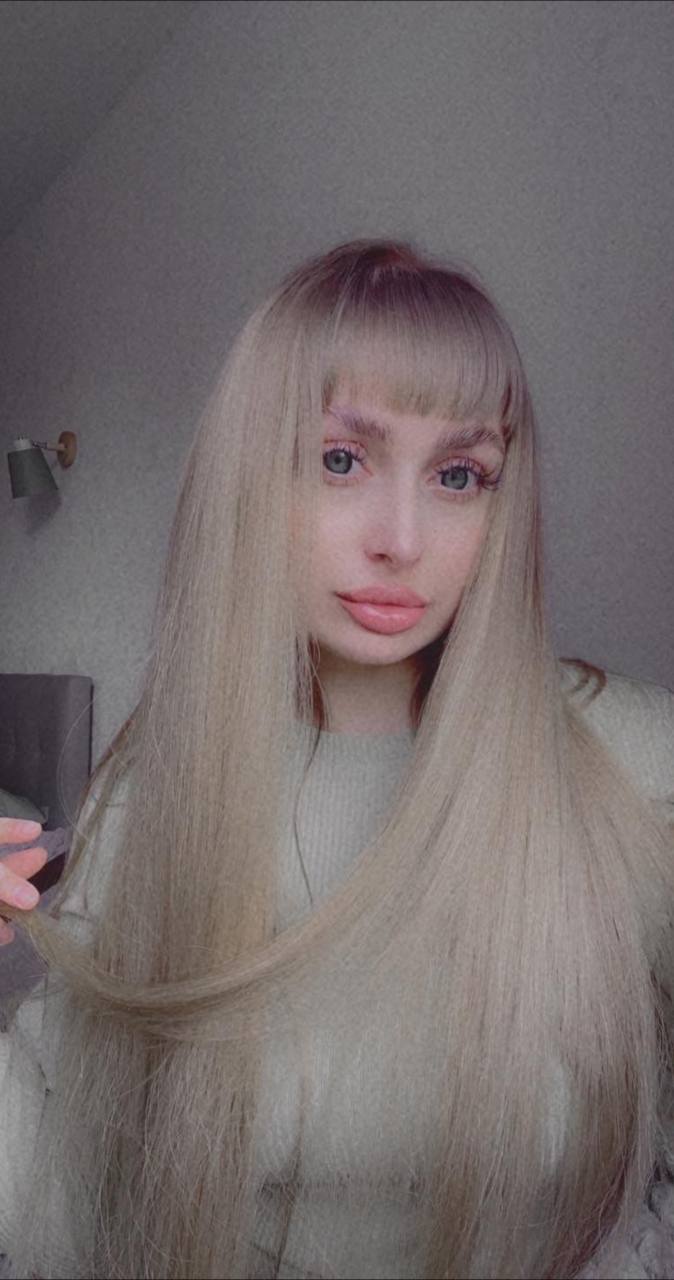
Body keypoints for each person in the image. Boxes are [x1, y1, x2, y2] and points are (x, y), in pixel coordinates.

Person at [1, 237, 674, 1280]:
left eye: (459, 474)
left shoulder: (634, 764)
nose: (401, 538)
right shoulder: (152, 783)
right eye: (339, 459)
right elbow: (58, 1163)